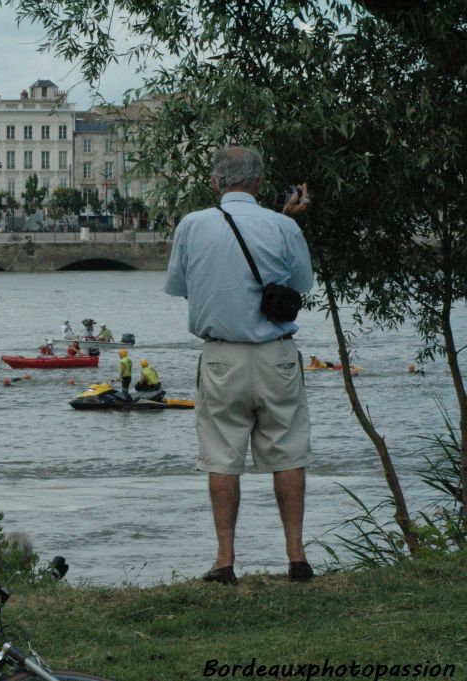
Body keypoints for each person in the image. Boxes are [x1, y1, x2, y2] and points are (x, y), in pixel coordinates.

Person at [164, 146, 314, 585]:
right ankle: (297, 557)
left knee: (222, 457)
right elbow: (300, 284)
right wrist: (286, 220)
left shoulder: (192, 225)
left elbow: (180, 286)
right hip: (276, 356)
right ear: (260, 183)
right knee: (287, 452)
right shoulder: (283, 225)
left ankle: (225, 560)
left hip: (221, 356)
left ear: (215, 182)